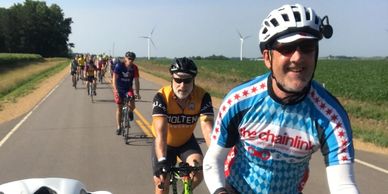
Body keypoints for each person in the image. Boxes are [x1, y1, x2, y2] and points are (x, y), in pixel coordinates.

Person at [203, 4, 360, 194]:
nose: (298, 57)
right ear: (267, 57)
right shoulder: (239, 101)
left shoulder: (330, 115)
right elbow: (214, 159)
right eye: (287, 47)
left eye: (307, 47)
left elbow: (343, 185)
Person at [151, 57, 214, 194]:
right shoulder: (161, 96)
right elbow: (161, 133)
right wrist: (162, 161)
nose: (182, 85)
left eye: (187, 80)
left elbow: (207, 127)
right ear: (172, 79)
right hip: (165, 144)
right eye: (178, 80)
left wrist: (216, 155)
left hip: (186, 142)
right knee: (162, 183)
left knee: (198, 173)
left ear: (194, 80)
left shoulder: (202, 96)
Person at [112, 51, 140, 133]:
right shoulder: (119, 66)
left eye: (132, 59)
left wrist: (137, 92)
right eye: (129, 59)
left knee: (132, 105)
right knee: (119, 108)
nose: (131, 60)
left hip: (128, 89)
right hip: (119, 89)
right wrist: (115, 89)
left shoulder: (134, 68)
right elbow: (114, 78)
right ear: (125, 58)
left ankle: (130, 112)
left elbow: (137, 81)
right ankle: (119, 126)